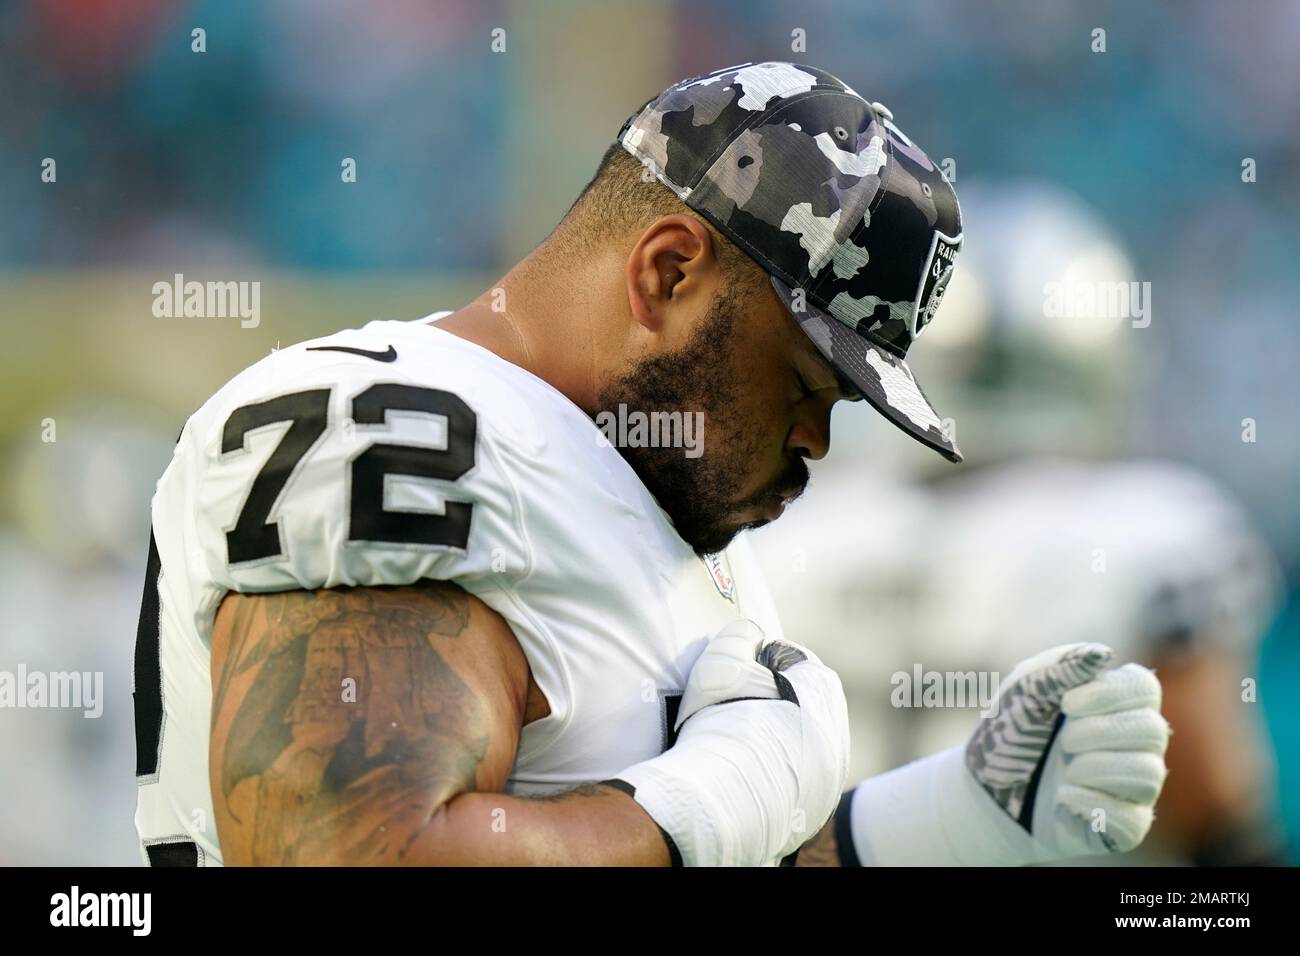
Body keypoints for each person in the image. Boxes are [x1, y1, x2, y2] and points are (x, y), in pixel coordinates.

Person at [132, 62, 1166, 866]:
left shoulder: (657, 491)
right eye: (806, 384)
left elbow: (628, 829)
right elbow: (354, 854)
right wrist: (692, 808)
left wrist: (948, 816)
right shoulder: (390, 423)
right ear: (667, 270)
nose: (815, 442)